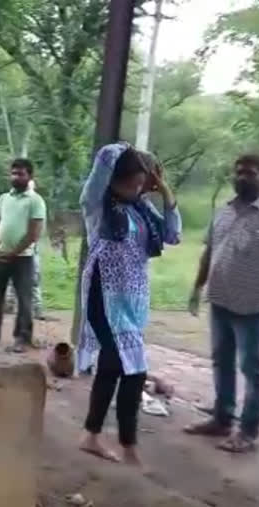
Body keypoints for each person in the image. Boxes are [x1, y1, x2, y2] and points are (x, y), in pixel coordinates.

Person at [77, 143, 180, 466]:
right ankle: (128, 445)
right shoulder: (97, 205)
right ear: (113, 179)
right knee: (133, 370)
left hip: (131, 301)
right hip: (103, 296)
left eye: (142, 183)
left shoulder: (142, 209)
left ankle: (92, 436)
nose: (138, 188)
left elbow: (173, 234)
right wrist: (128, 149)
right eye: (133, 182)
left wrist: (164, 191)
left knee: (113, 368)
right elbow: (106, 156)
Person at [185, 154, 259, 454]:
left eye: (249, 173)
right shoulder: (223, 211)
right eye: (237, 172)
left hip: (252, 307)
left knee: (251, 369)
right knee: (221, 362)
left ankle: (247, 431)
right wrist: (197, 288)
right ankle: (221, 419)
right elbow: (210, 252)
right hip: (219, 300)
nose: (241, 177)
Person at [0, 159, 46, 352]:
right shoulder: (3, 198)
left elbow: (34, 234)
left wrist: (12, 253)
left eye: (21, 174)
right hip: (0, 255)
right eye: (13, 173)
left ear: (30, 176)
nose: (16, 177)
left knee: (24, 299)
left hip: (23, 257)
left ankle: (22, 338)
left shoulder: (35, 201)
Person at [6, 179, 44, 319]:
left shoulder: (36, 205)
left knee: (33, 278)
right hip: (15, 246)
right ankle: (10, 305)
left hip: (30, 248)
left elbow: (36, 231)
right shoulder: (15, 204)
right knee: (12, 276)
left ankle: (37, 308)